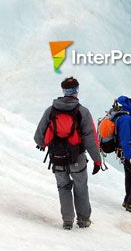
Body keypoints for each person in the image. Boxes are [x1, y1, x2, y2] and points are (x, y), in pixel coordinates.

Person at [34, 77, 102, 230]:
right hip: (77, 158)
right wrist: (97, 160)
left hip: (57, 158)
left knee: (63, 187)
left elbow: (38, 136)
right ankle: (83, 220)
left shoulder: (51, 110)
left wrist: (43, 144)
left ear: (63, 91)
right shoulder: (82, 112)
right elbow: (90, 139)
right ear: (76, 91)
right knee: (81, 187)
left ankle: (67, 221)